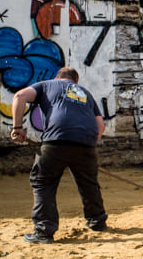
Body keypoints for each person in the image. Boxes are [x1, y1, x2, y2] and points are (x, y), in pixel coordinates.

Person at [10, 67, 108, 244]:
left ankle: (44, 232)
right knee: (88, 183)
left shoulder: (46, 85)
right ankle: (97, 222)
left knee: (43, 182)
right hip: (86, 143)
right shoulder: (85, 93)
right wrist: (86, 147)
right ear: (75, 81)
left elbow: (19, 96)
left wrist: (17, 128)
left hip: (56, 141)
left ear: (58, 77)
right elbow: (100, 125)